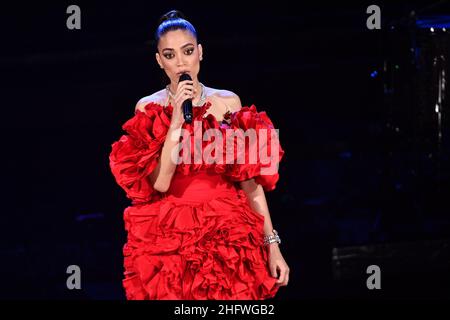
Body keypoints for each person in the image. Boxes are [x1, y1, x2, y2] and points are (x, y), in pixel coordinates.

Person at [109, 9, 290, 300]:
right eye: (170, 55)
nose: (181, 62)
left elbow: (250, 181)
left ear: (200, 53)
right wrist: (177, 122)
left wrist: (273, 244)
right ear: (159, 61)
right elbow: (160, 183)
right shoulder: (147, 108)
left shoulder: (228, 102)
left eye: (188, 51)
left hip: (227, 229)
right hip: (173, 235)